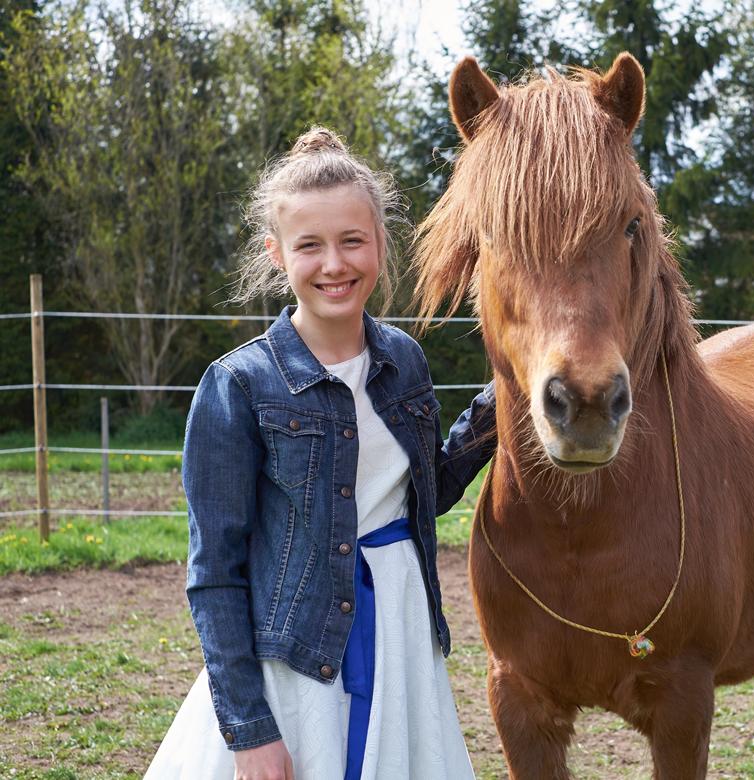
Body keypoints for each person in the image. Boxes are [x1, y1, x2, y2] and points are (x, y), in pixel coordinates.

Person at [146, 127, 495, 780]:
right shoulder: (240, 385)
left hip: (404, 646)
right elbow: (215, 574)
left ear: (381, 244)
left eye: (352, 241)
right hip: (299, 665)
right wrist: (250, 732)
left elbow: (425, 493)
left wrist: (508, 393)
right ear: (278, 255)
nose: (334, 264)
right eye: (311, 245)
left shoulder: (405, 361)